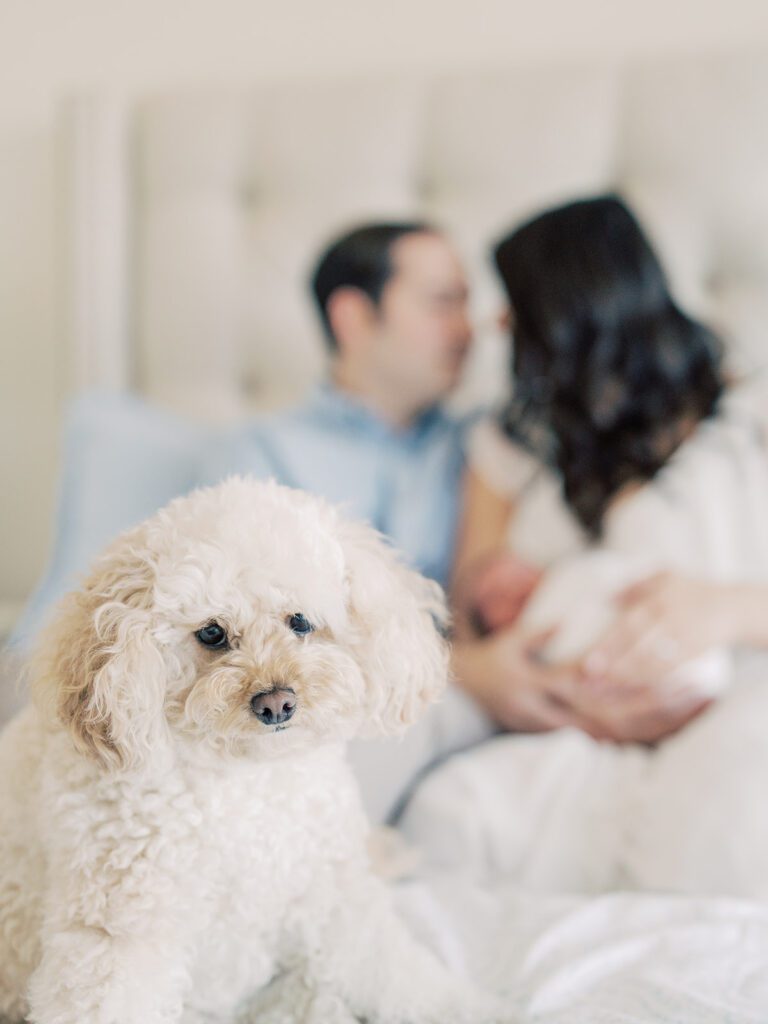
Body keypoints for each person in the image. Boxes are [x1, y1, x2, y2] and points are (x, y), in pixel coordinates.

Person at [7, 220, 492, 820]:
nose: (469, 329)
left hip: (431, 690)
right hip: (306, 712)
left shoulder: (483, 449)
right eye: (444, 302)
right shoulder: (261, 456)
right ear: (353, 316)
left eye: (469, 303)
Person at [450, 194, 768, 744]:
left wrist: (726, 611)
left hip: (730, 698)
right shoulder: (510, 439)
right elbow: (467, 616)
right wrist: (510, 678)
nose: (500, 324)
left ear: (574, 314)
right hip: (559, 717)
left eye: (518, 304)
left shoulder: (745, 414)